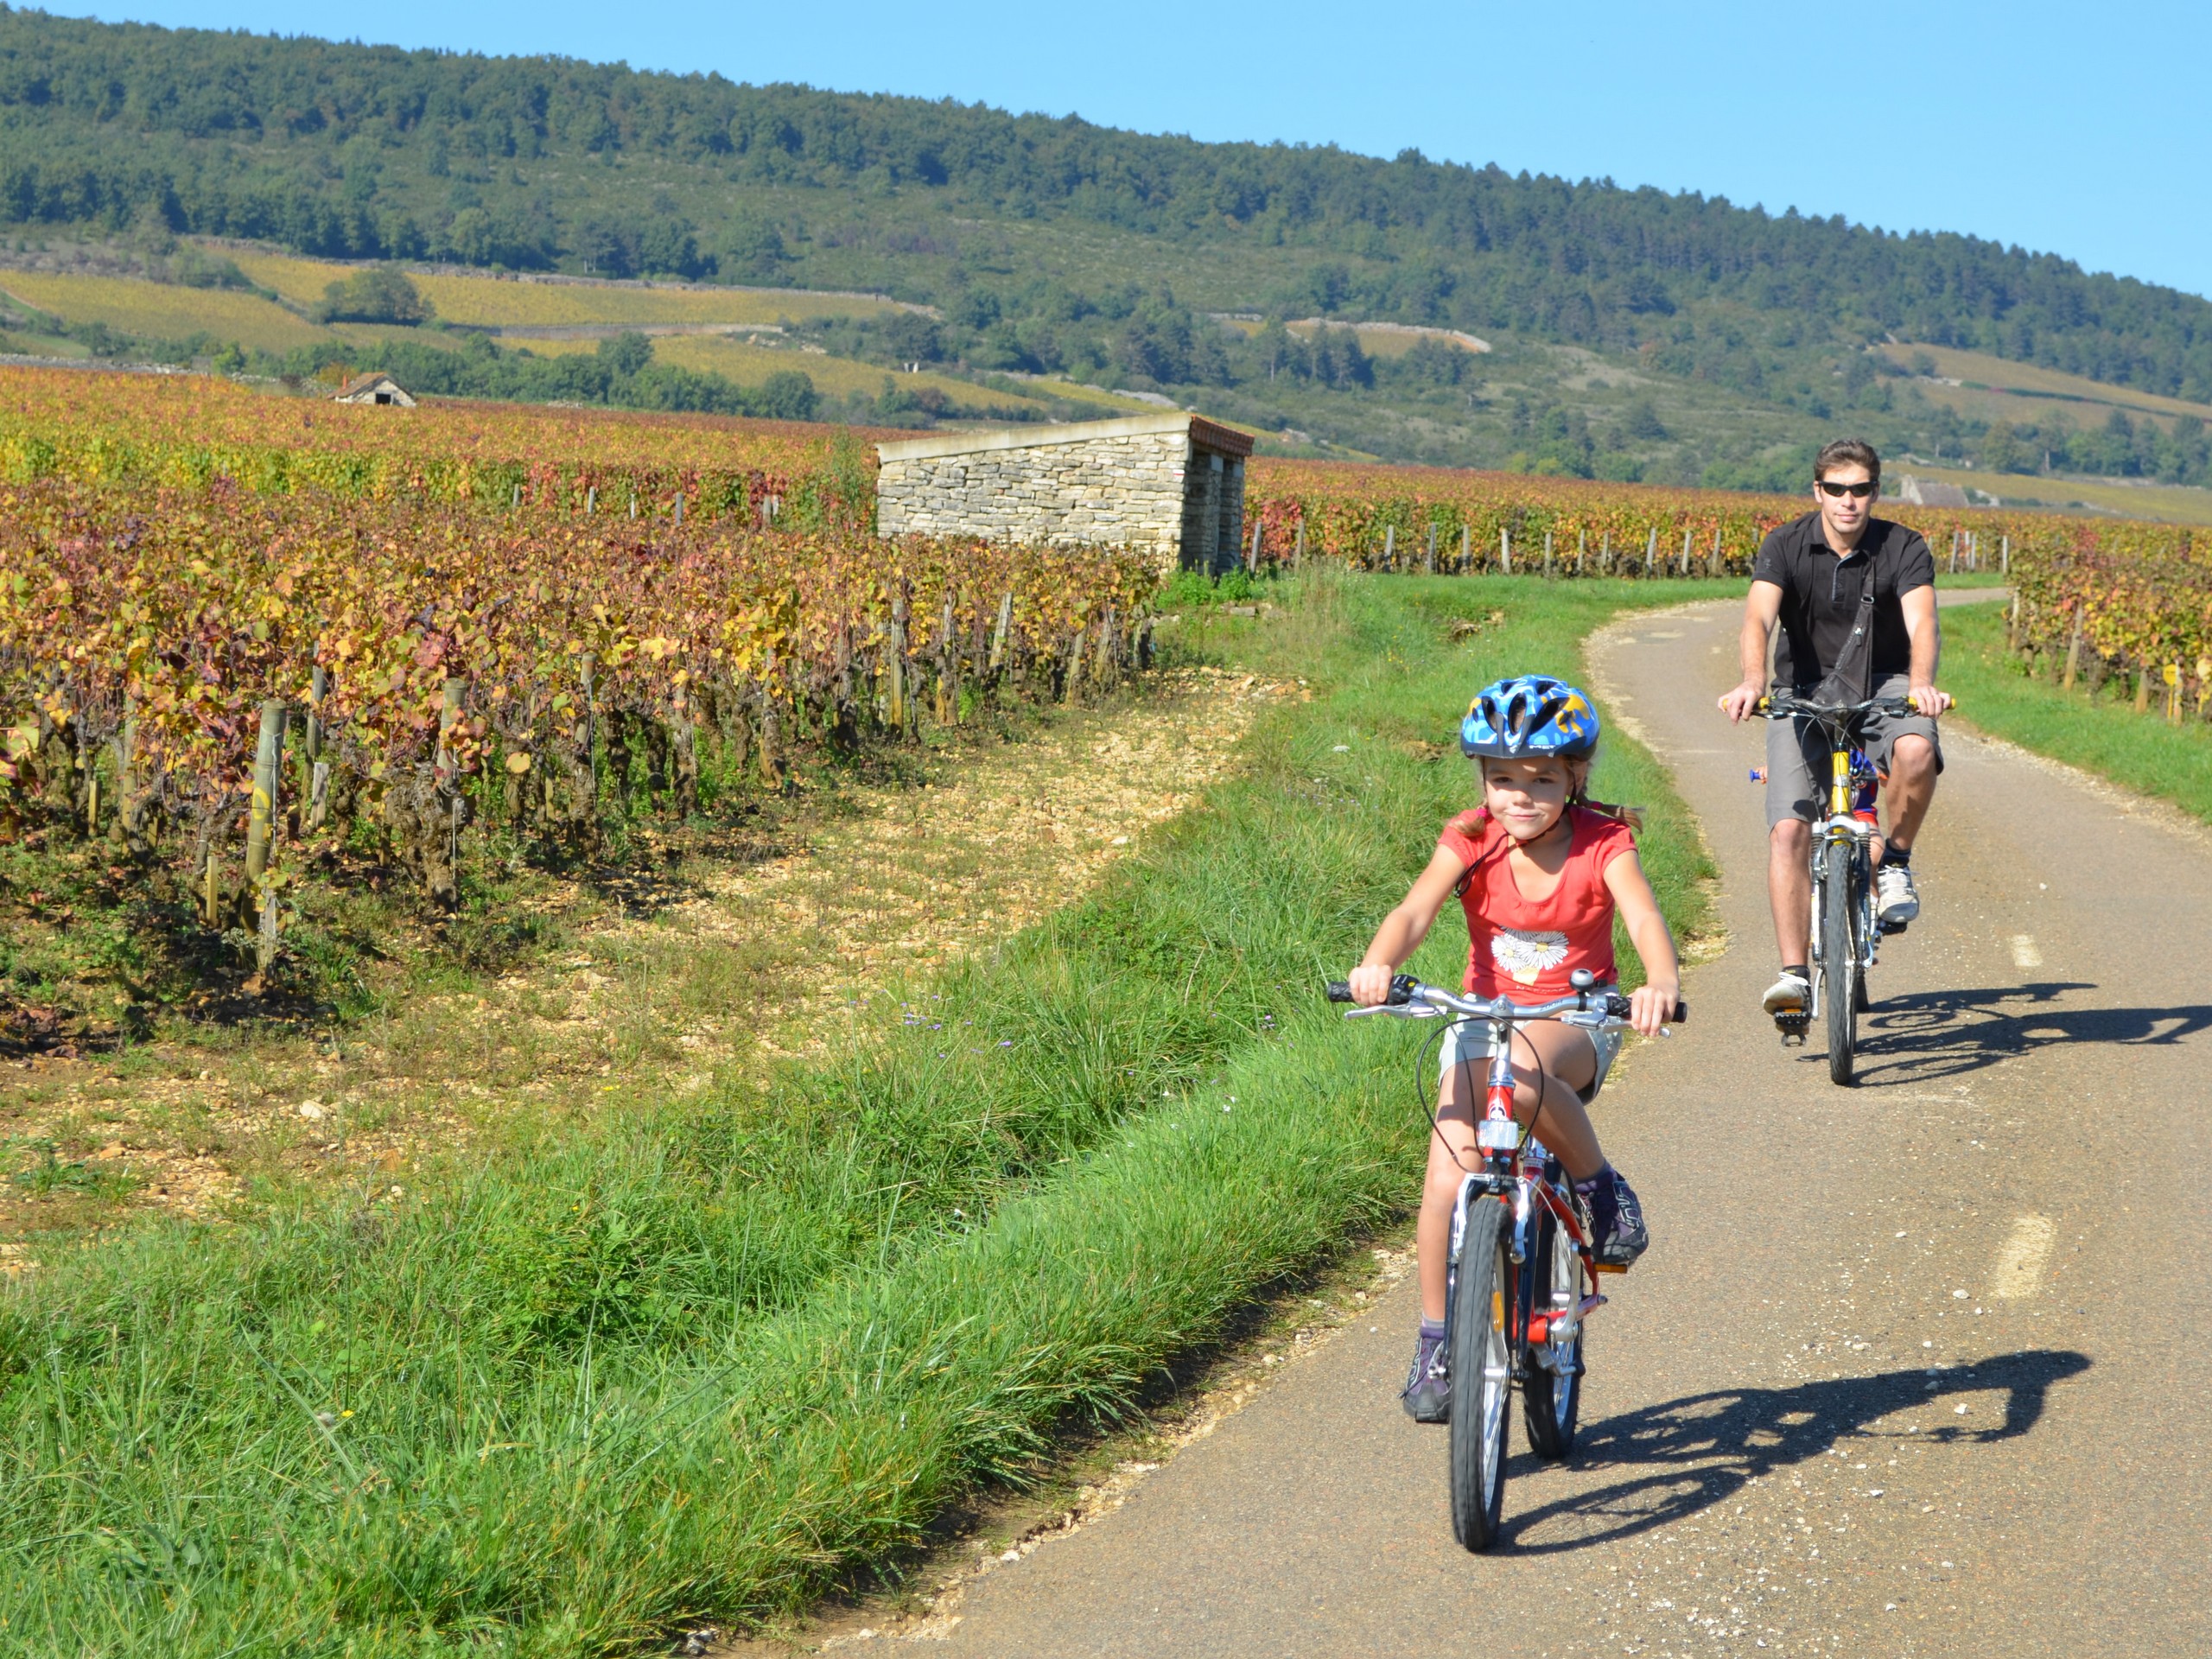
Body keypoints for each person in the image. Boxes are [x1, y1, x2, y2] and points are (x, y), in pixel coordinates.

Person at [1347, 674, 1682, 1422]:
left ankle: (1598, 1185)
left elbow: (1644, 916)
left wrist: (1658, 981)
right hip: (1481, 1015)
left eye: (1540, 780)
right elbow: (1415, 910)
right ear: (1482, 781)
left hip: (1575, 1015)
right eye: (1502, 780)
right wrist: (1379, 965)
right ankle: (1439, 1340)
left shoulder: (1605, 842)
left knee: (1524, 1070)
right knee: (1446, 1172)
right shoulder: (1471, 838)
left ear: (1575, 778)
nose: (1518, 797)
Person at [1719, 439, 1951, 1024]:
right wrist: (1752, 681)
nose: (1850, 501)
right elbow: (1757, 617)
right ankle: (1794, 975)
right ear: (1818, 491)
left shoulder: (1904, 546)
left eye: (1862, 489)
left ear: (1875, 491)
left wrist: (1922, 682)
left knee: (1918, 750)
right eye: (1837, 489)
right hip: (1803, 692)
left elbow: (1922, 621)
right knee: (1789, 830)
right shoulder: (1787, 544)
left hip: (1886, 685)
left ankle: (1894, 860)